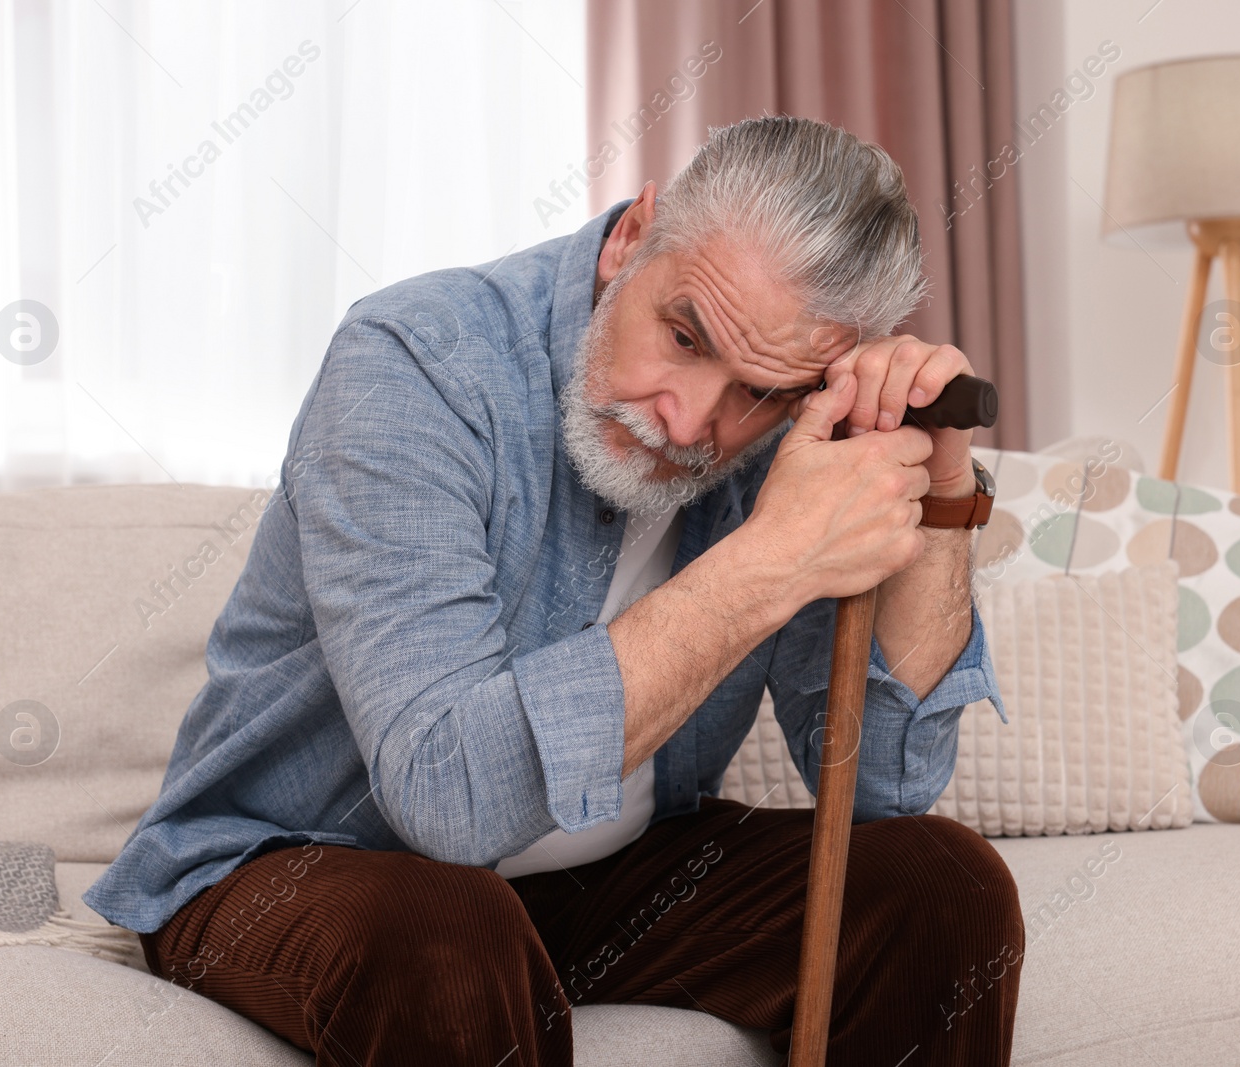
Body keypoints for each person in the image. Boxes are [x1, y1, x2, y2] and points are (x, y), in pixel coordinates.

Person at [84, 114, 1022, 1066]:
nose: (691, 422)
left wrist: (943, 494)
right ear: (631, 237)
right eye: (685, 335)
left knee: (940, 885)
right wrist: (769, 560)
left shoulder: (798, 427)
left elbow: (887, 786)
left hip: (599, 880)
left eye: (761, 393)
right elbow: (446, 803)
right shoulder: (412, 360)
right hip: (303, 863)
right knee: (447, 936)